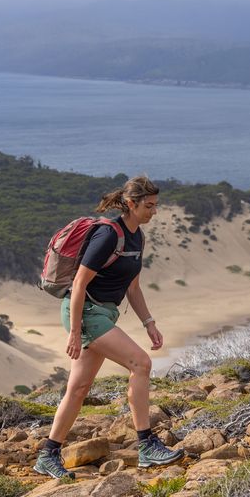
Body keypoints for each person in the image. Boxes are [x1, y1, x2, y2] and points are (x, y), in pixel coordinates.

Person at [34, 176, 184, 479]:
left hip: (103, 314)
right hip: (85, 313)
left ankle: (47, 455)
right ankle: (146, 446)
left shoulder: (137, 237)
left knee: (77, 389)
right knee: (140, 364)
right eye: (149, 205)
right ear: (131, 204)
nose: (154, 211)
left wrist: (149, 323)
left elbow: (133, 287)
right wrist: (76, 332)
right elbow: (78, 284)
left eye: (156, 205)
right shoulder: (107, 235)